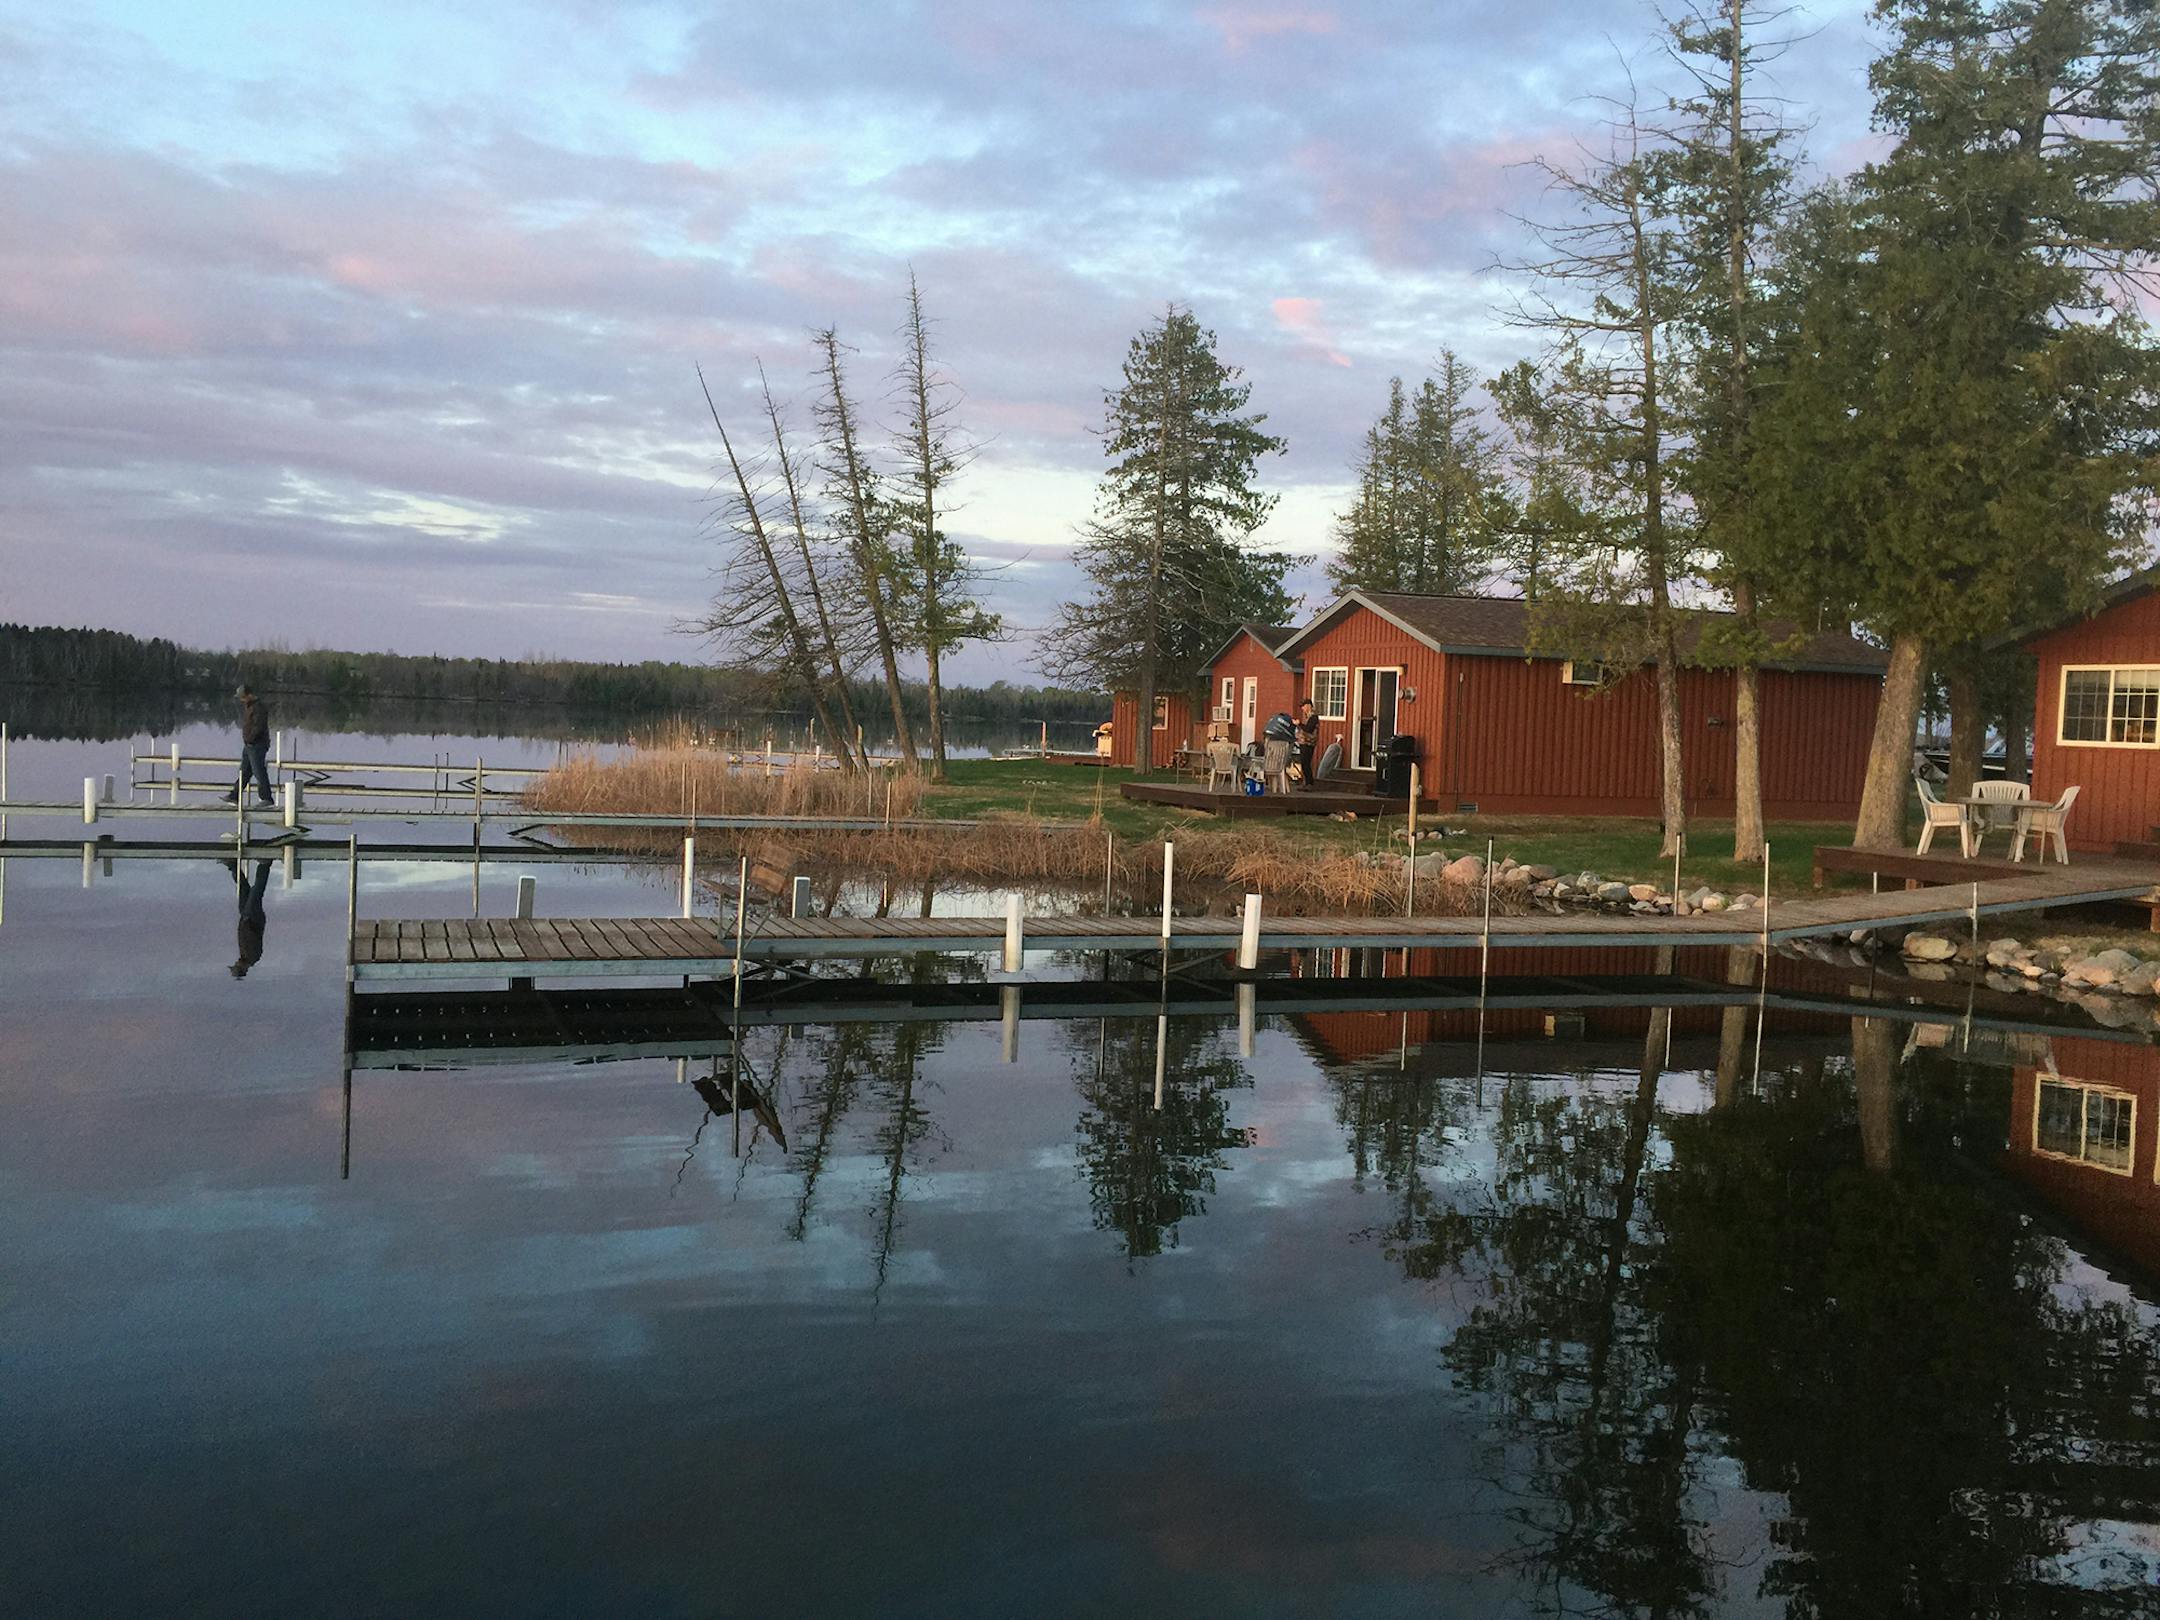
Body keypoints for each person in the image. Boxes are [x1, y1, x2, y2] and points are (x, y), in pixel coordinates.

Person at [226, 683, 275, 806]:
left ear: (250, 695)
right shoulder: (250, 706)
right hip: (249, 745)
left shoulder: (259, 707)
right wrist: (248, 740)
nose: (241, 700)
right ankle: (234, 795)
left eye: (243, 697)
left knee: (259, 771)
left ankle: (266, 798)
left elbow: (259, 726)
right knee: (245, 771)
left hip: (257, 745)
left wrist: (250, 738)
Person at [227, 858, 270, 978]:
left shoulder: (244, 956)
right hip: (252, 918)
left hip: (245, 917)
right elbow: (253, 936)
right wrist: (247, 922)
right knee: (257, 891)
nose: (235, 962)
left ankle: (233, 865)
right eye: (236, 966)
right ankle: (265, 865)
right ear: (242, 968)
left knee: (243, 888)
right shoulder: (253, 957)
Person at [1293, 700, 1321, 789]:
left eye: (1303, 706)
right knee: (1304, 763)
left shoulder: (1313, 717)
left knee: (1306, 763)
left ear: (1309, 706)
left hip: (1309, 743)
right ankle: (1306, 782)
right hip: (1304, 742)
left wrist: (1299, 724)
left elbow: (1308, 729)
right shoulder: (1307, 717)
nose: (1302, 708)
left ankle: (1310, 783)